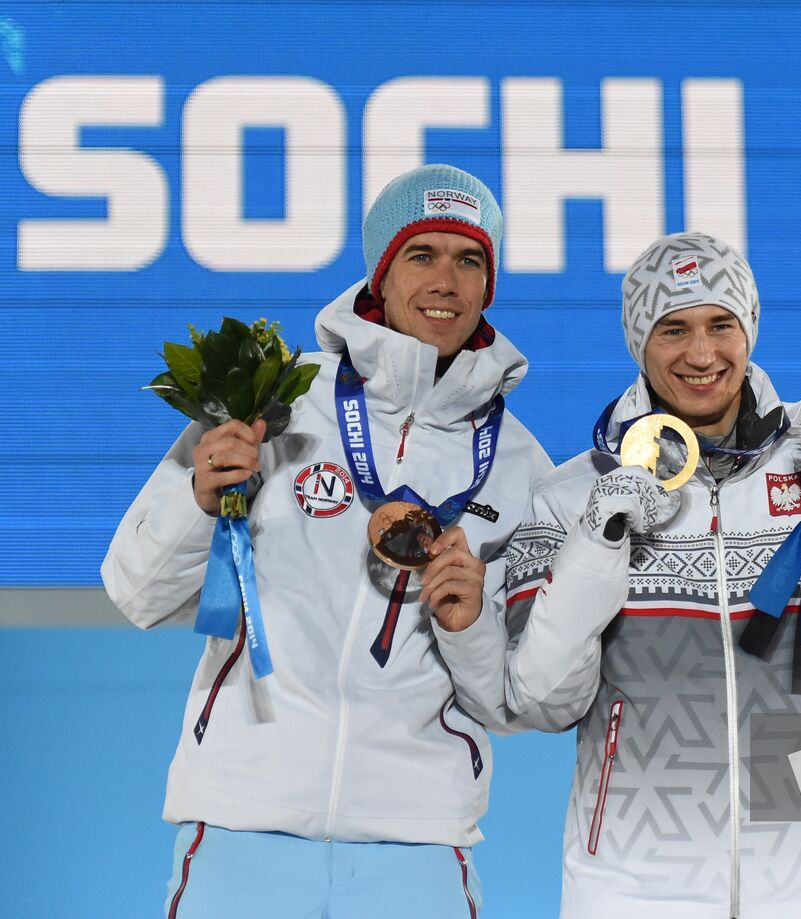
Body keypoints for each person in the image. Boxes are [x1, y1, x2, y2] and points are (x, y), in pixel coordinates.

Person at [102, 164, 552, 917]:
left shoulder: (520, 465)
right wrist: (196, 499)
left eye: (469, 259)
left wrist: (470, 624)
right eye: (422, 254)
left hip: (417, 841)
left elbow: (508, 701)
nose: (446, 278)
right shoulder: (276, 400)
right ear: (380, 272)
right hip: (244, 820)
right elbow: (136, 590)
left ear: (488, 284)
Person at [503, 232, 801, 919]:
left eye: (720, 325)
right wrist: (597, 544)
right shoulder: (571, 498)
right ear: (638, 343)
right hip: (629, 892)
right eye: (672, 328)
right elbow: (541, 701)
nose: (701, 354)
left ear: (750, 330)